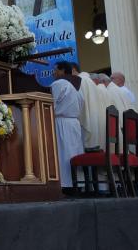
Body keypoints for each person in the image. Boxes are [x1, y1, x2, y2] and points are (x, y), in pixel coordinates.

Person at [51, 61, 84, 193]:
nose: (53, 73)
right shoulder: (77, 87)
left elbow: (50, 103)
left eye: (55, 70)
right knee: (73, 152)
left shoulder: (58, 84)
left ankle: (65, 184)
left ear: (63, 70)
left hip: (62, 123)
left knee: (63, 154)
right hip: (74, 123)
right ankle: (77, 183)